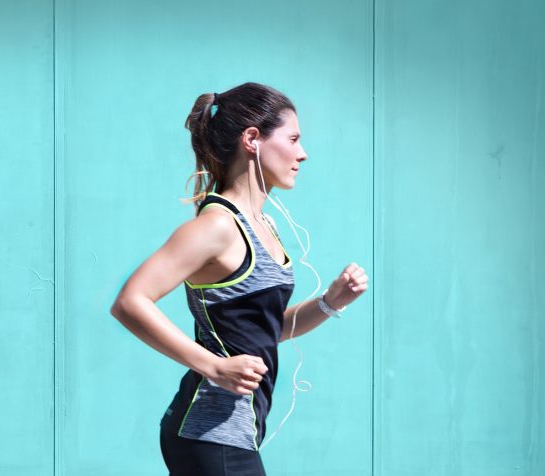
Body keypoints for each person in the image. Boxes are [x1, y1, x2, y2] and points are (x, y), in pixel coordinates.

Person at [109, 82, 369, 475]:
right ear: (252, 140)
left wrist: (330, 303)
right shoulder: (217, 227)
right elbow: (130, 302)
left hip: (233, 432)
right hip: (210, 432)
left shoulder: (263, 226)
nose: (303, 153)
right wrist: (213, 367)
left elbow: (262, 331)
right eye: (293, 139)